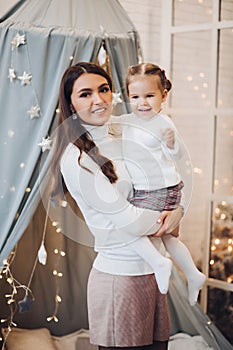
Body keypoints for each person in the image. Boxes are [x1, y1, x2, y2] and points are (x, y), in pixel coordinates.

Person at [51, 61, 183, 350]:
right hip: (119, 277)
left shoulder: (121, 133)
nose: (99, 100)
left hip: (150, 271)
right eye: (85, 94)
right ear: (70, 104)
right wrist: (168, 219)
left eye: (104, 89)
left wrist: (178, 209)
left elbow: (162, 177)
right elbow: (129, 220)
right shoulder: (76, 158)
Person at [115, 62, 206, 305]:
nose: (142, 102)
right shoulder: (128, 120)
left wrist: (171, 142)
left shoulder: (163, 123)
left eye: (149, 96)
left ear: (163, 96)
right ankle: (193, 274)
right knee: (168, 237)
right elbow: (108, 125)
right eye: (135, 96)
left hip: (159, 190)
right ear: (128, 96)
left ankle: (158, 262)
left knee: (126, 228)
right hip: (153, 190)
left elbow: (176, 154)